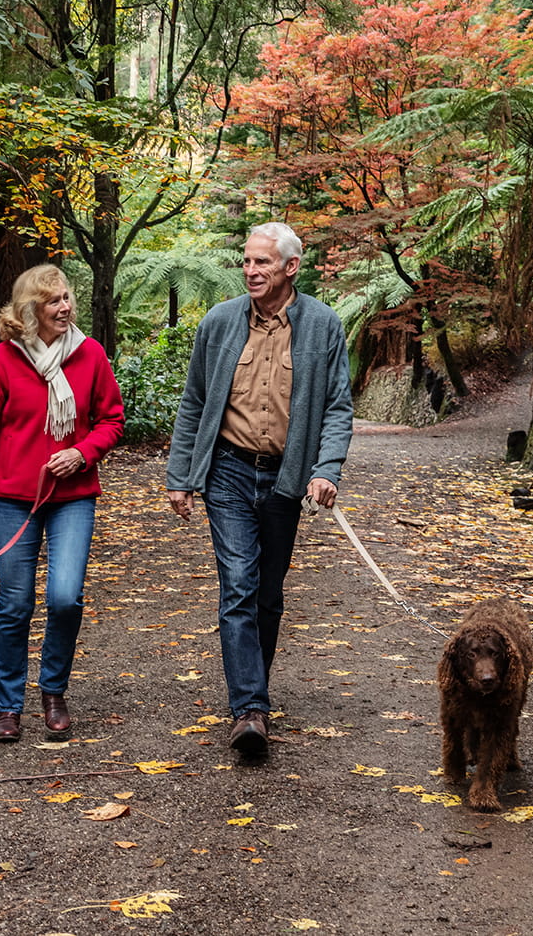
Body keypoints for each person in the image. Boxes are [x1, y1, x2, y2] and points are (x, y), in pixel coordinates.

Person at [165, 222, 353, 758]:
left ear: (291, 267)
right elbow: (194, 403)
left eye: (262, 263)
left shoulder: (322, 326)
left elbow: (338, 406)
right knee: (239, 585)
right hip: (226, 469)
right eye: (246, 261)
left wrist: (326, 469)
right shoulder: (220, 322)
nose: (250, 270)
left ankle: (253, 690)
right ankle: (249, 709)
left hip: (286, 477)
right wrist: (182, 477)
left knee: (268, 593)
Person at [0, 264, 125, 743]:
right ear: (30, 309)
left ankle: (53, 691)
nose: (65, 307)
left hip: (73, 497)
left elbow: (113, 421)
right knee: (15, 604)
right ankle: (8, 706)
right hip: (13, 499)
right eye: (53, 300)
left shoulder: (90, 354)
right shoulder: (4, 360)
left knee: (64, 597)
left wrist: (82, 452)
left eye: (67, 298)